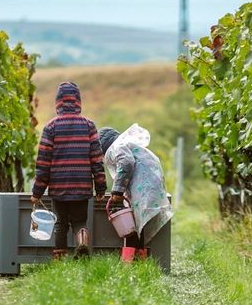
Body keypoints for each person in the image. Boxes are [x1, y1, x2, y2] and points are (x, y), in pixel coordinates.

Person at [31, 82, 106, 260]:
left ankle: (61, 263)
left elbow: (43, 163)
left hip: (59, 186)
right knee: (80, 221)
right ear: (78, 102)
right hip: (82, 185)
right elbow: (97, 159)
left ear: (58, 103)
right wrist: (100, 187)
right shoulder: (89, 125)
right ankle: (82, 242)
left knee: (60, 224)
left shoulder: (51, 127)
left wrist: (37, 192)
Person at [98, 124, 173, 262]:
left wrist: (117, 191)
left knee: (134, 229)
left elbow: (126, 163)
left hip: (143, 186)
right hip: (151, 184)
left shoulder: (116, 147)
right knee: (139, 228)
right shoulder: (126, 144)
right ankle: (139, 261)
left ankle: (130, 263)